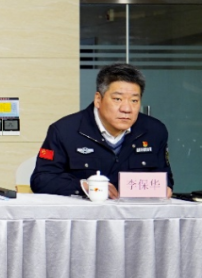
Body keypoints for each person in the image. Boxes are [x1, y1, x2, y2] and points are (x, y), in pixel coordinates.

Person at [31, 63, 173, 197]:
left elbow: (165, 178)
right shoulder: (64, 131)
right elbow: (41, 180)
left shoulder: (154, 131)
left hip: (134, 212)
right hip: (85, 212)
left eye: (134, 101)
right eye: (117, 99)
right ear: (98, 99)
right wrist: (85, 186)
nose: (126, 109)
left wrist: (165, 188)